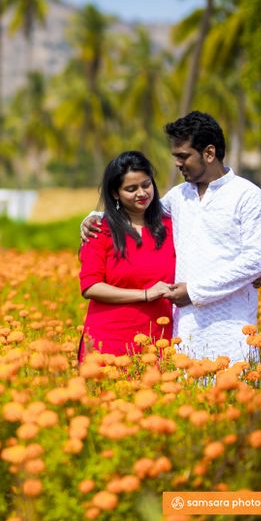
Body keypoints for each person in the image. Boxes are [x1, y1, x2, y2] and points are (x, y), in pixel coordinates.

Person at [82, 112, 261, 365]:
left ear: (208, 153)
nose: (177, 163)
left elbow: (253, 262)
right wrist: (95, 216)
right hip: (185, 328)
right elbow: (139, 209)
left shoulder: (248, 197)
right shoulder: (180, 195)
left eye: (183, 156)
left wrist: (193, 292)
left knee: (234, 395)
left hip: (231, 326)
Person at [78, 151, 174, 363]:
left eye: (146, 184)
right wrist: (145, 294)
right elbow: (90, 286)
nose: (142, 193)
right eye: (131, 189)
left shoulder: (171, 227)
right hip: (109, 341)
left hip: (159, 340)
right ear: (115, 193)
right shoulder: (99, 230)